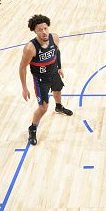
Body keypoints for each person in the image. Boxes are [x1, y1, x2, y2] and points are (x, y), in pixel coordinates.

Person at [19, 14, 73, 146]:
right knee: (43, 108)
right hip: (41, 79)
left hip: (54, 72)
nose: (44, 32)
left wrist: (59, 67)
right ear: (34, 31)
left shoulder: (54, 37)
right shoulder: (30, 48)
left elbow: (57, 52)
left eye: (45, 28)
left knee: (58, 90)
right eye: (40, 30)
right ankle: (32, 128)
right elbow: (22, 67)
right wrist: (24, 88)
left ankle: (59, 107)